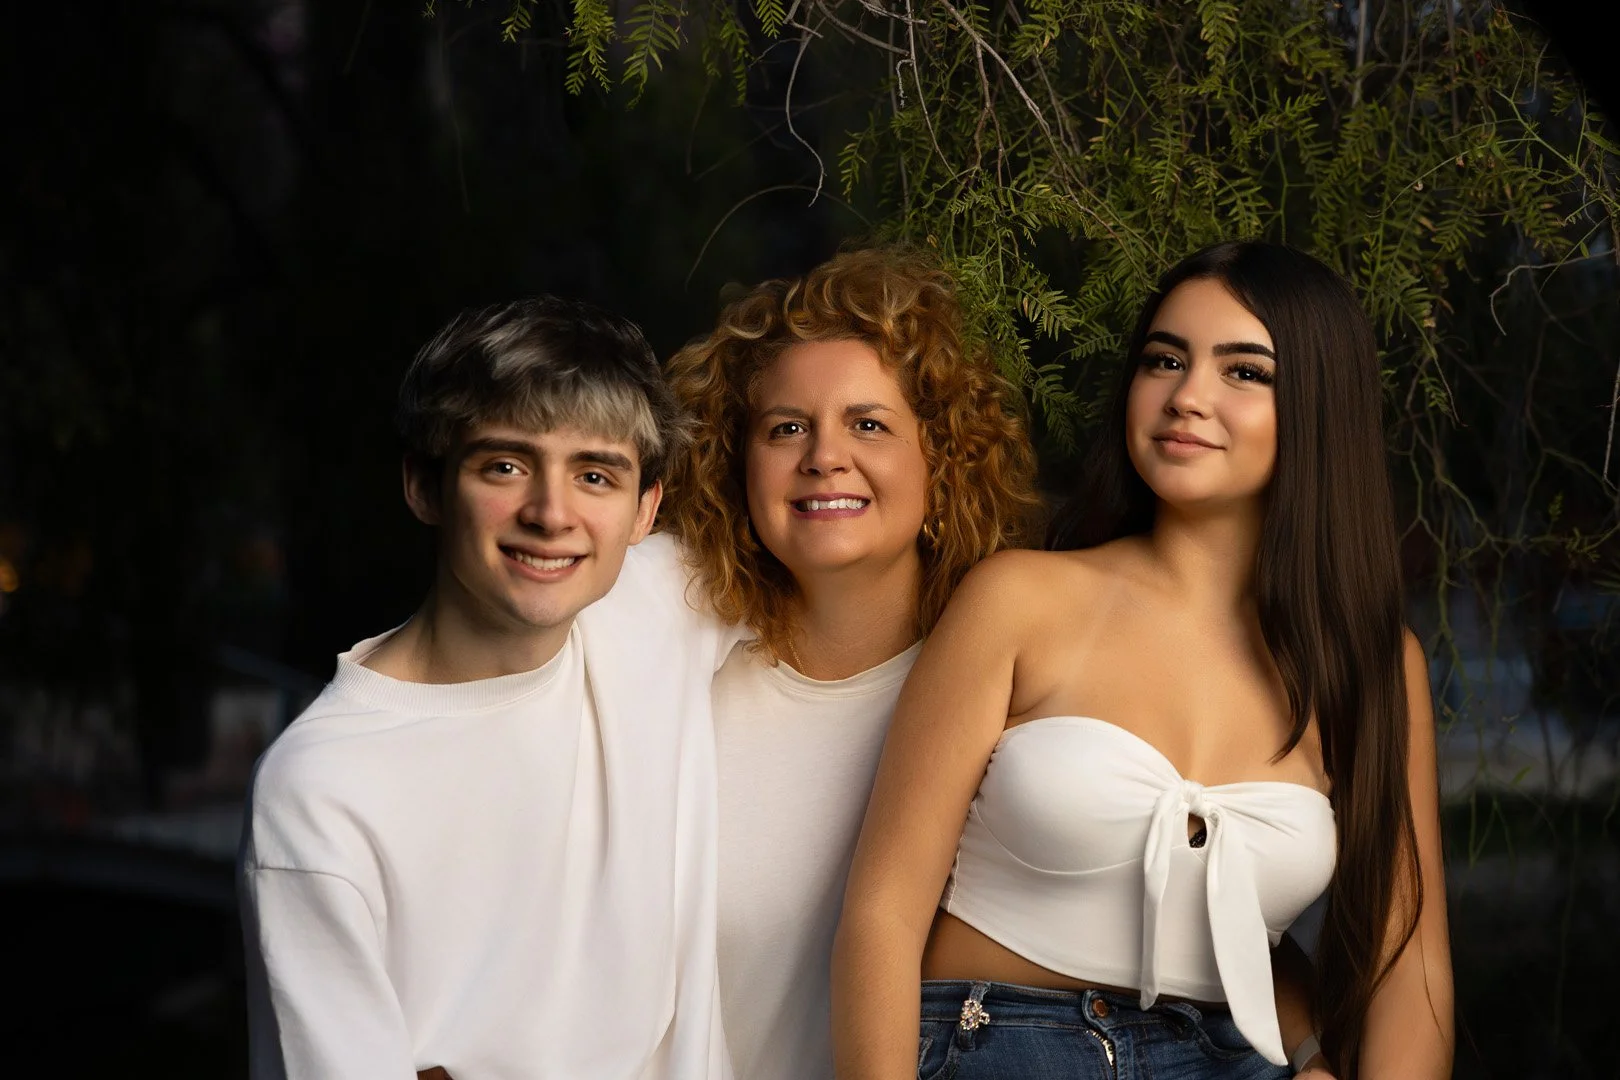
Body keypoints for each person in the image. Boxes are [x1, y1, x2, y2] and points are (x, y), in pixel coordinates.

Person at [831, 242, 1454, 1079]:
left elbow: (1409, 967)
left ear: (1318, 407)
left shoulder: (1371, 666)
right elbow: (881, 915)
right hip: (998, 1046)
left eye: (1245, 372)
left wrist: (1314, 1058)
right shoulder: (1019, 600)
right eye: (1165, 360)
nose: (1187, 396)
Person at [238, 297, 735, 1079]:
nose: (551, 514)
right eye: (504, 466)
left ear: (646, 511)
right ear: (426, 486)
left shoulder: (654, 602)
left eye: (595, 474)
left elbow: (853, 510)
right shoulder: (320, 793)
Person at [658, 247, 1042, 1080]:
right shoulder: (672, 687)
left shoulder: (1017, 701)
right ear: (737, 465)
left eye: (868, 423)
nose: (823, 455)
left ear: (943, 462)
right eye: (786, 427)